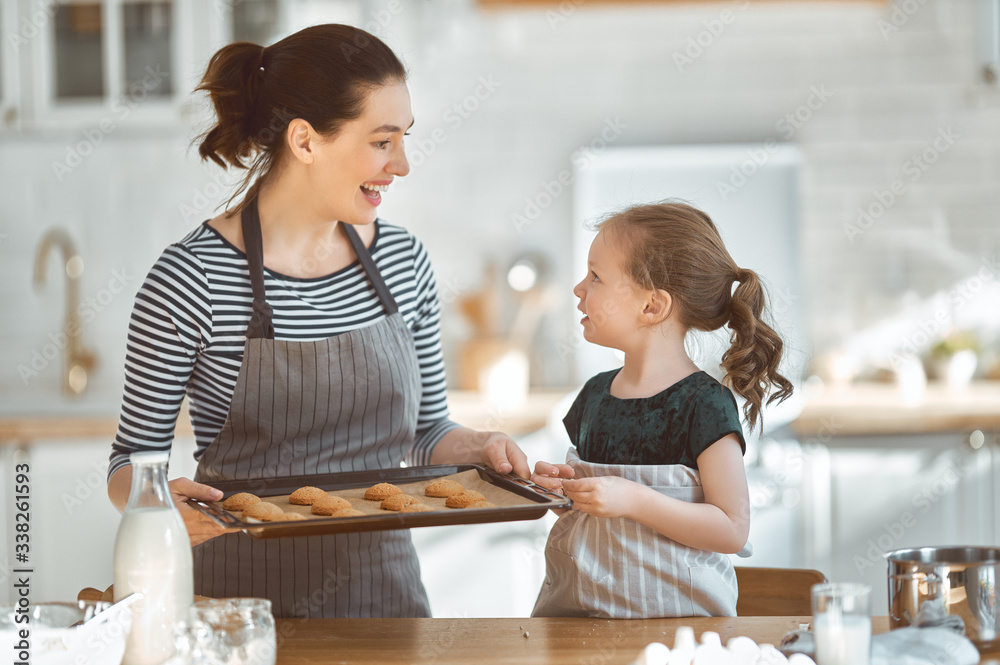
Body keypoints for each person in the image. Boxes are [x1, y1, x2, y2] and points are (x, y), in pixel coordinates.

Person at [106, 24, 529, 619]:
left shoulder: (402, 260)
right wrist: (155, 503)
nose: (402, 164)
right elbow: (130, 462)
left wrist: (479, 446)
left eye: (405, 138)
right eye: (383, 141)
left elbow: (428, 430)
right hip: (239, 613)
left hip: (387, 603)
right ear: (305, 141)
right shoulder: (191, 278)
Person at [530, 201, 793, 618]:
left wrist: (634, 500)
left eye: (596, 276)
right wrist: (561, 491)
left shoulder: (703, 405)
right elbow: (591, 520)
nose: (579, 288)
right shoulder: (593, 397)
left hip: (680, 640)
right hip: (578, 629)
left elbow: (731, 527)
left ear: (652, 306)